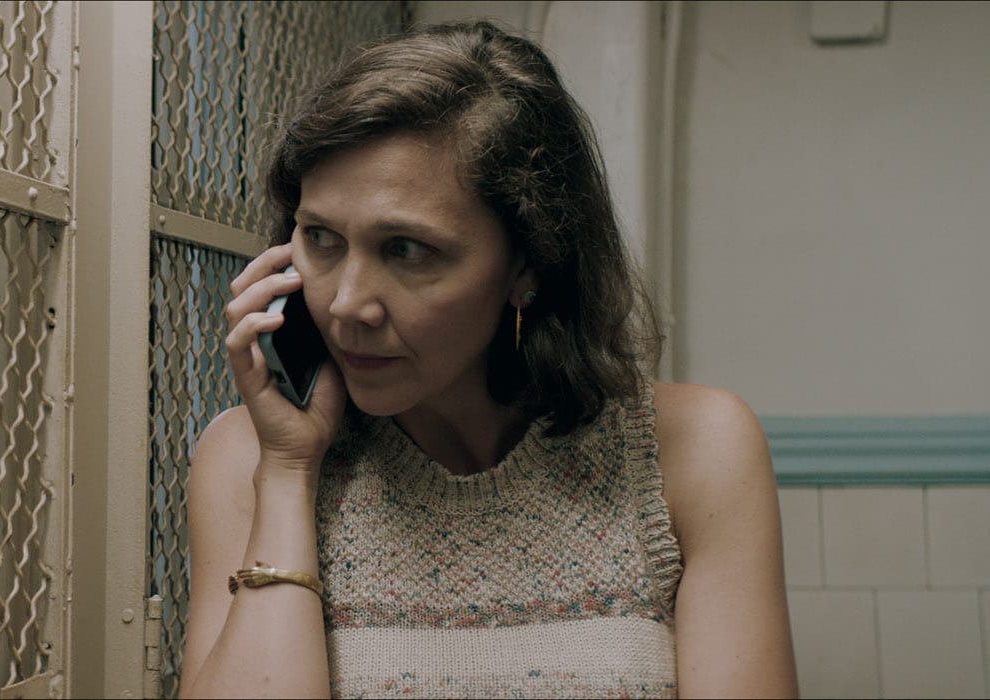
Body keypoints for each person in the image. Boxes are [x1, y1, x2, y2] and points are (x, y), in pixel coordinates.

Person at [178, 20, 797, 699]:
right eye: (321, 238)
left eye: (406, 250)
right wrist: (289, 472)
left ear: (527, 263)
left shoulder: (691, 449)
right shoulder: (248, 458)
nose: (347, 304)